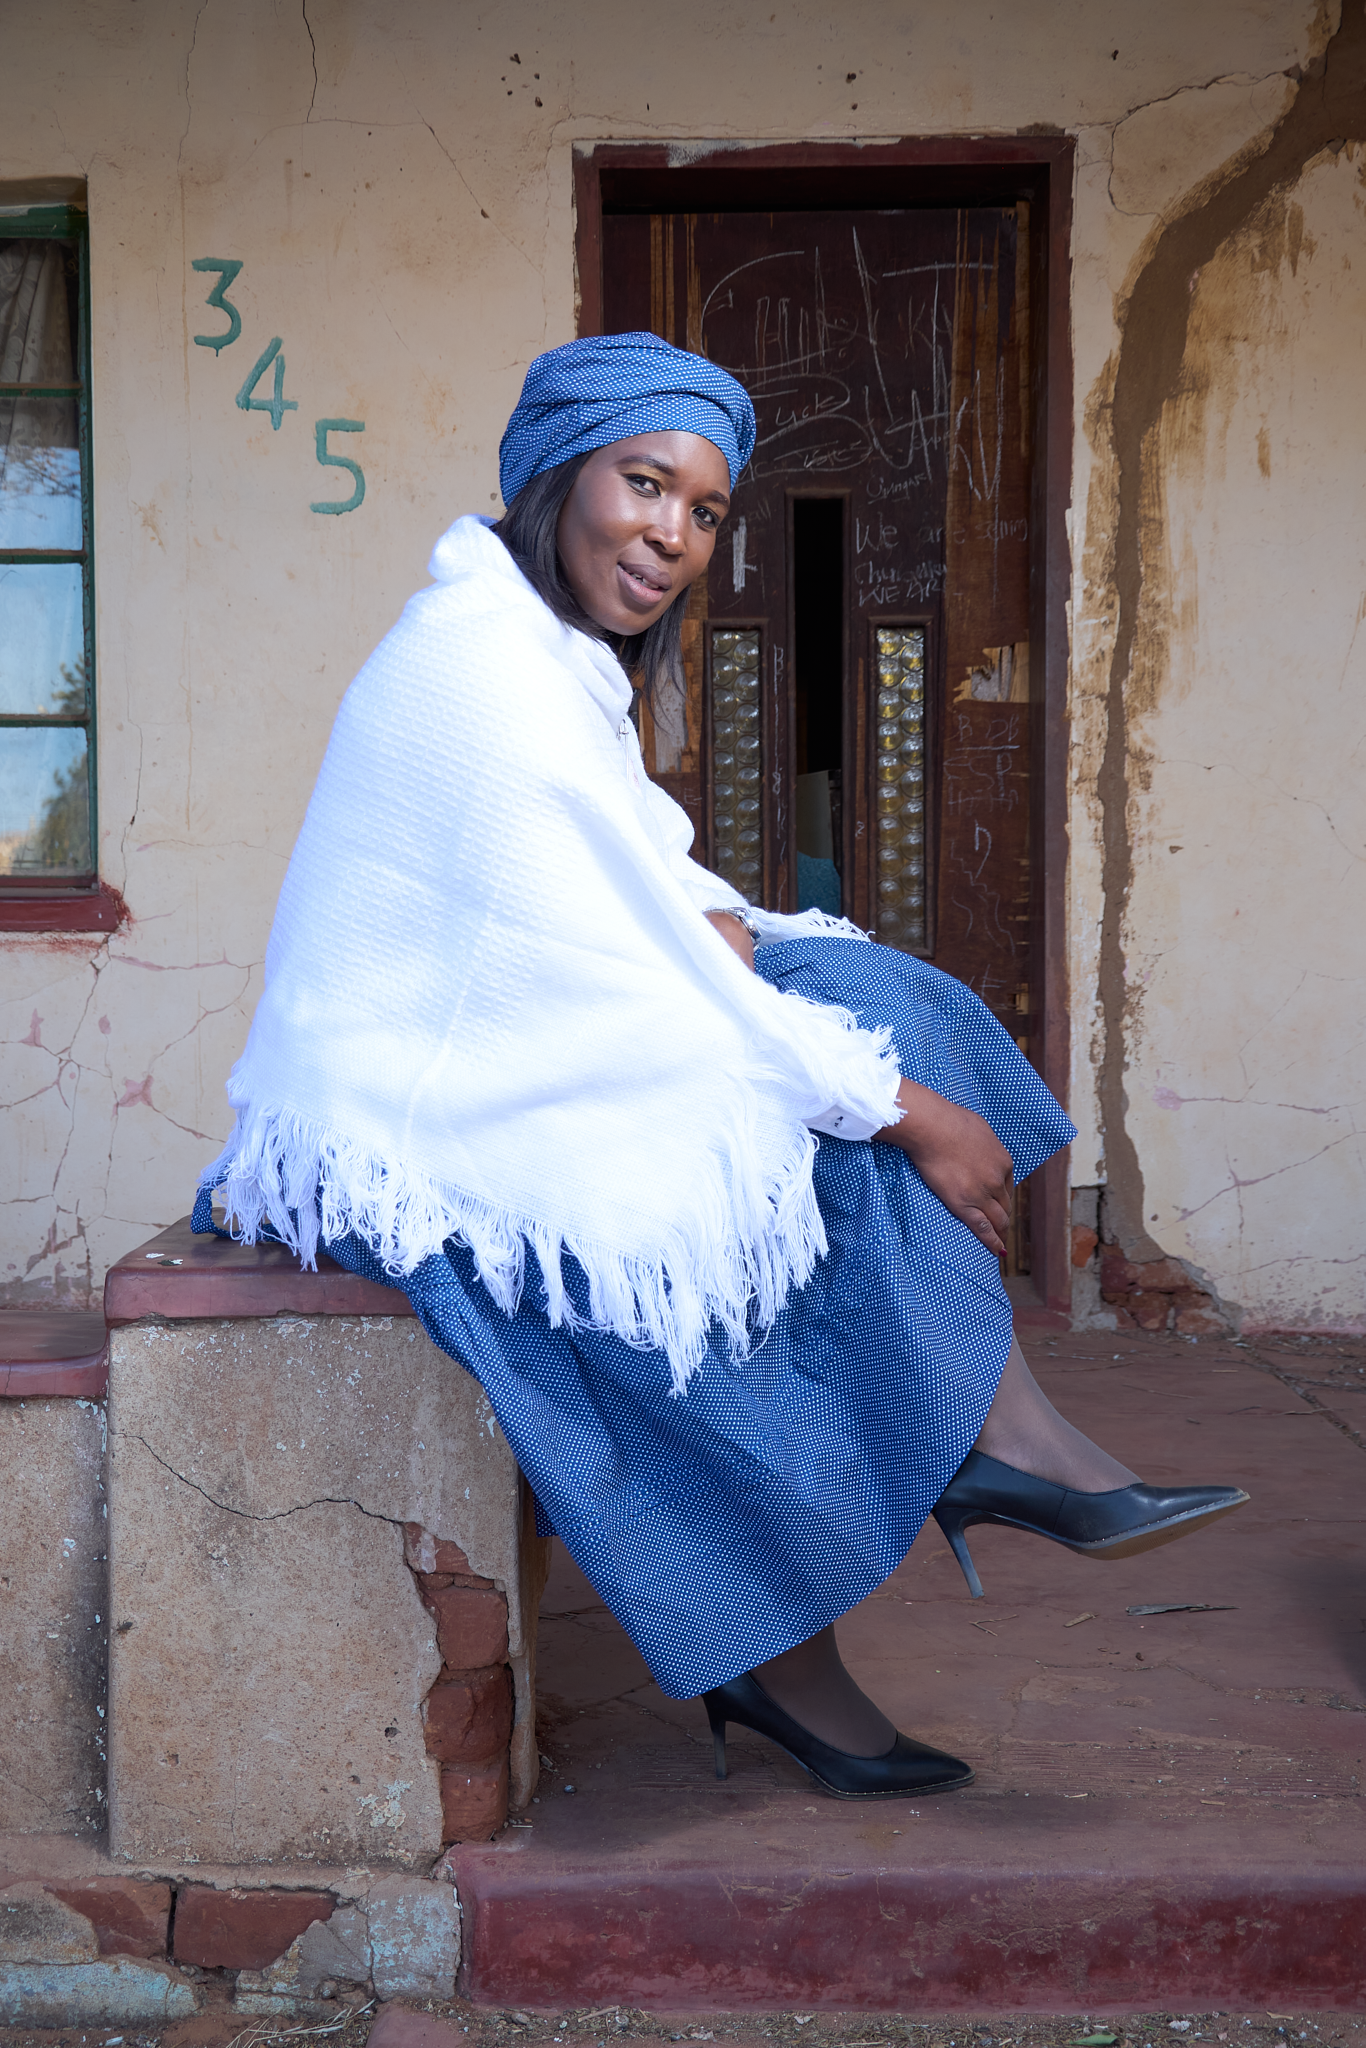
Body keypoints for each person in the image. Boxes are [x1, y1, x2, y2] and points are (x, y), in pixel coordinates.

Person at [197, 333, 1247, 1802]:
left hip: (493, 1066)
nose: (673, 537)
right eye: (644, 485)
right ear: (558, 475)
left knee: (853, 1004)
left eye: (702, 512)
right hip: (401, 1130)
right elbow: (624, 961)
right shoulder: (478, 668)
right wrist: (916, 1116)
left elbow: (648, 892)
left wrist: (754, 958)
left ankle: (963, 1468)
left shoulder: (540, 652)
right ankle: (933, 1501)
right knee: (787, 1156)